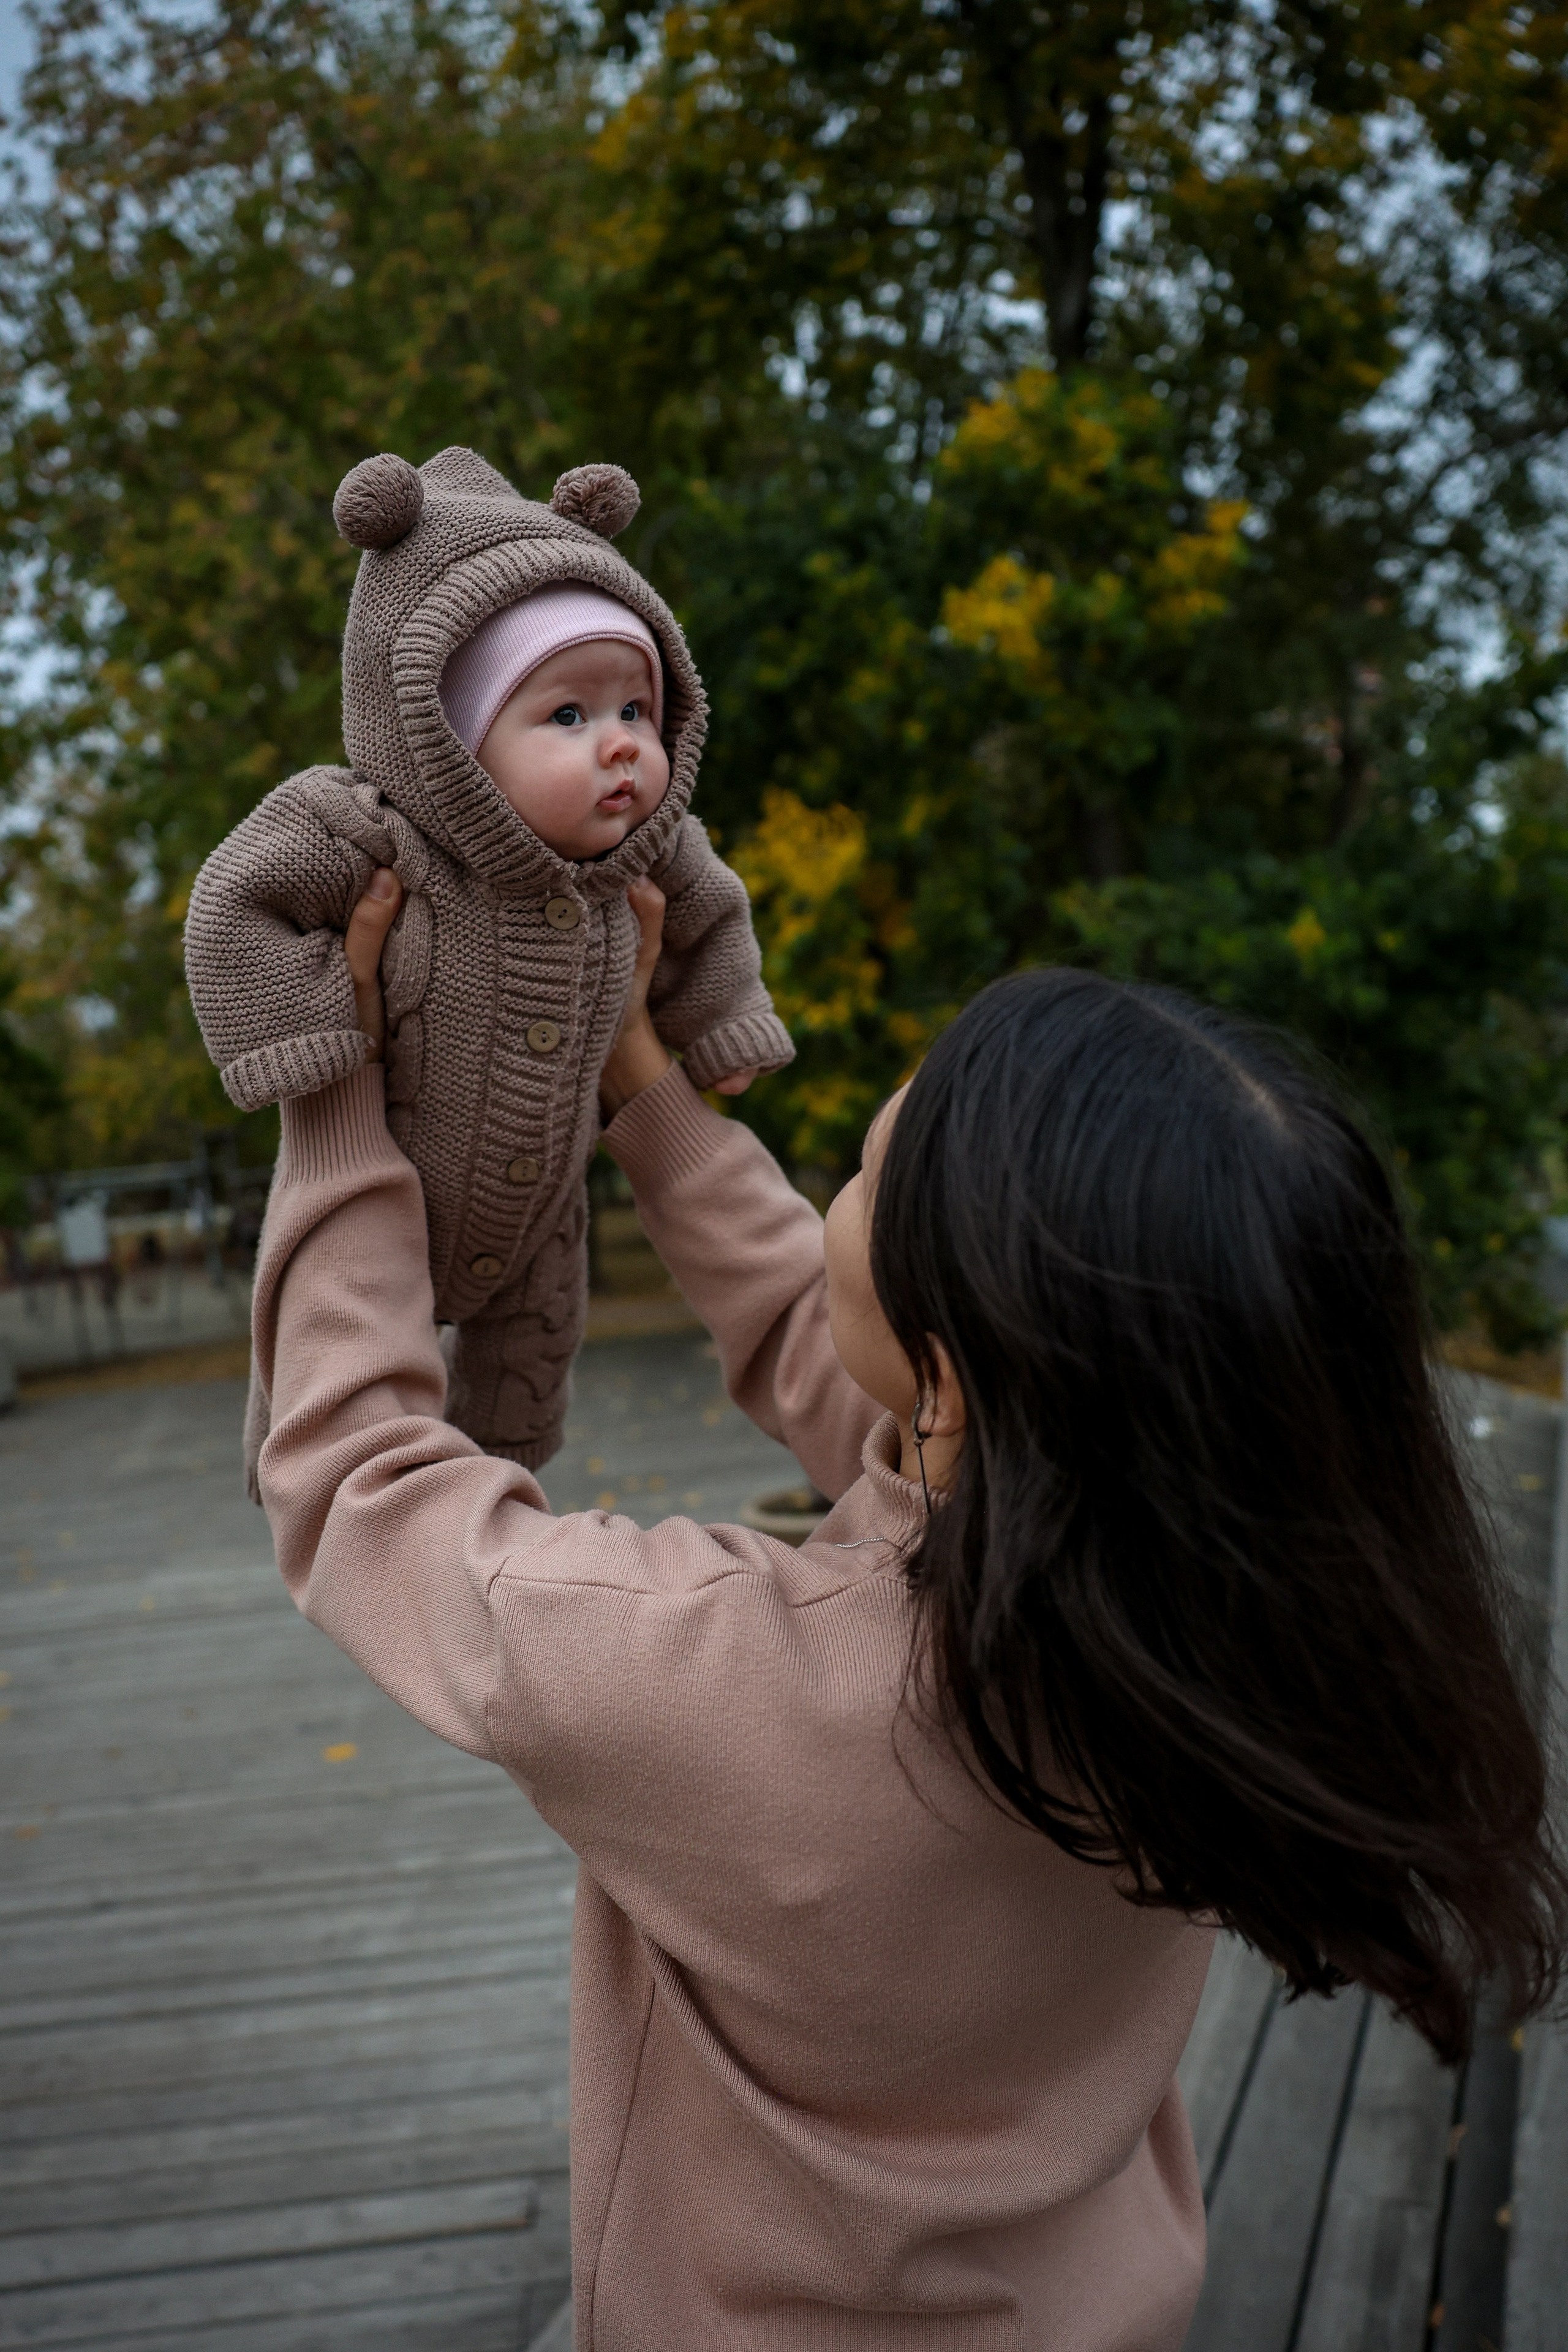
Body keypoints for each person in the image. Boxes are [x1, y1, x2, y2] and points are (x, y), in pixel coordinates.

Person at [247, 870, 1567, 2351]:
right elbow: (842, 1356)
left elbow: (357, 1481)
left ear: (952, 1373)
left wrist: (335, 1104)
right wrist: (642, 1083)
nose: (835, 1202)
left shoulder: (714, 1681)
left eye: (865, 1178)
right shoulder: (1214, 1642)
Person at [184, 448, 791, 1491]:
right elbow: (235, 901)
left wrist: (723, 1023)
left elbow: (709, 918)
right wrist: (314, 1034)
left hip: (540, 1211)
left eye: (635, 712)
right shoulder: (366, 834)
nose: (620, 748)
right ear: (446, 741)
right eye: (568, 716)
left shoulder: (650, 855)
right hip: (381, 1171)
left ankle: (504, 1479)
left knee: (528, 1355)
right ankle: (295, 1458)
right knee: (317, 1313)